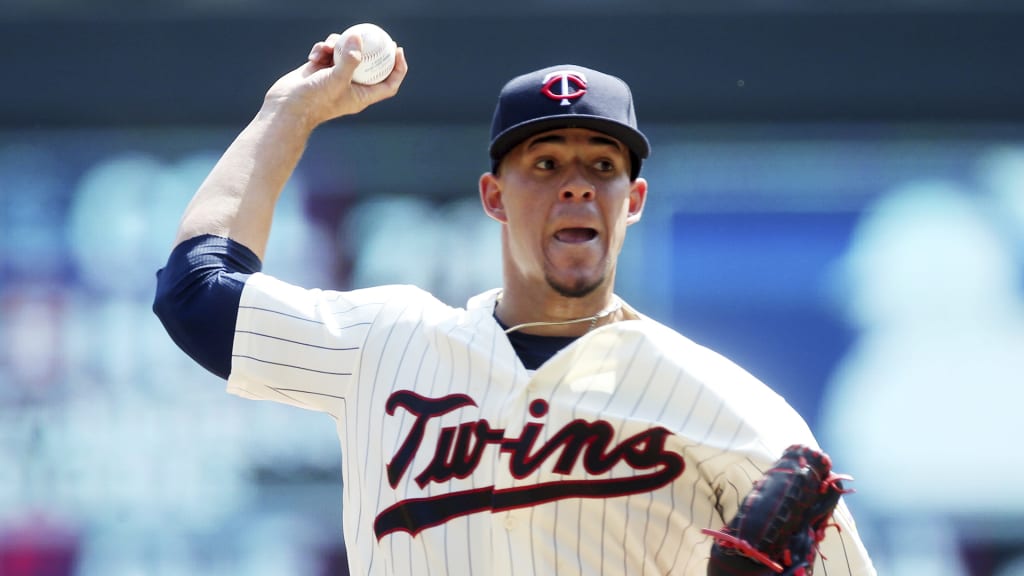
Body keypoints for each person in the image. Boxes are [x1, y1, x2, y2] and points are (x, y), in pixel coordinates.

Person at [153, 29, 876, 576]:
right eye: (546, 162)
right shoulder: (385, 344)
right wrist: (290, 111)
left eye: (601, 165)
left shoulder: (728, 409)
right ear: (494, 197)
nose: (575, 184)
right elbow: (196, 296)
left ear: (633, 201)